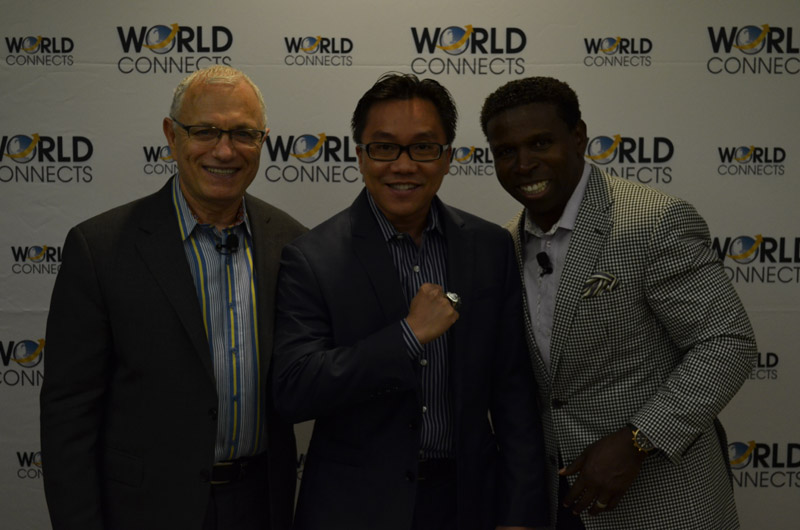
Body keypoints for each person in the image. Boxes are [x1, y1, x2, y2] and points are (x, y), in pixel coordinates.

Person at [271, 73, 548, 530]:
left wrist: (519, 513)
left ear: (447, 158)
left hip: (467, 503)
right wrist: (408, 336)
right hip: (355, 510)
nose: (403, 165)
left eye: (422, 148)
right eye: (384, 147)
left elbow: (513, 392)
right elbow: (295, 390)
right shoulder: (312, 257)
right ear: (360, 155)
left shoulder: (490, 247)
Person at [480, 76, 757, 530]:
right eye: (506, 151)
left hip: (664, 503)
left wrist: (636, 440)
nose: (524, 164)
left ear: (578, 137)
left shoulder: (652, 220)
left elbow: (727, 342)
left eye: (541, 143)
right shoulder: (505, 242)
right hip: (560, 504)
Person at [40, 65, 305, 530]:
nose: (224, 150)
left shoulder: (292, 242)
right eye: (205, 131)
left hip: (262, 505)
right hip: (146, 509)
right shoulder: (100, 249)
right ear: (171, 135)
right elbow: (69, 415)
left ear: (263, 141)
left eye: (243, 134)